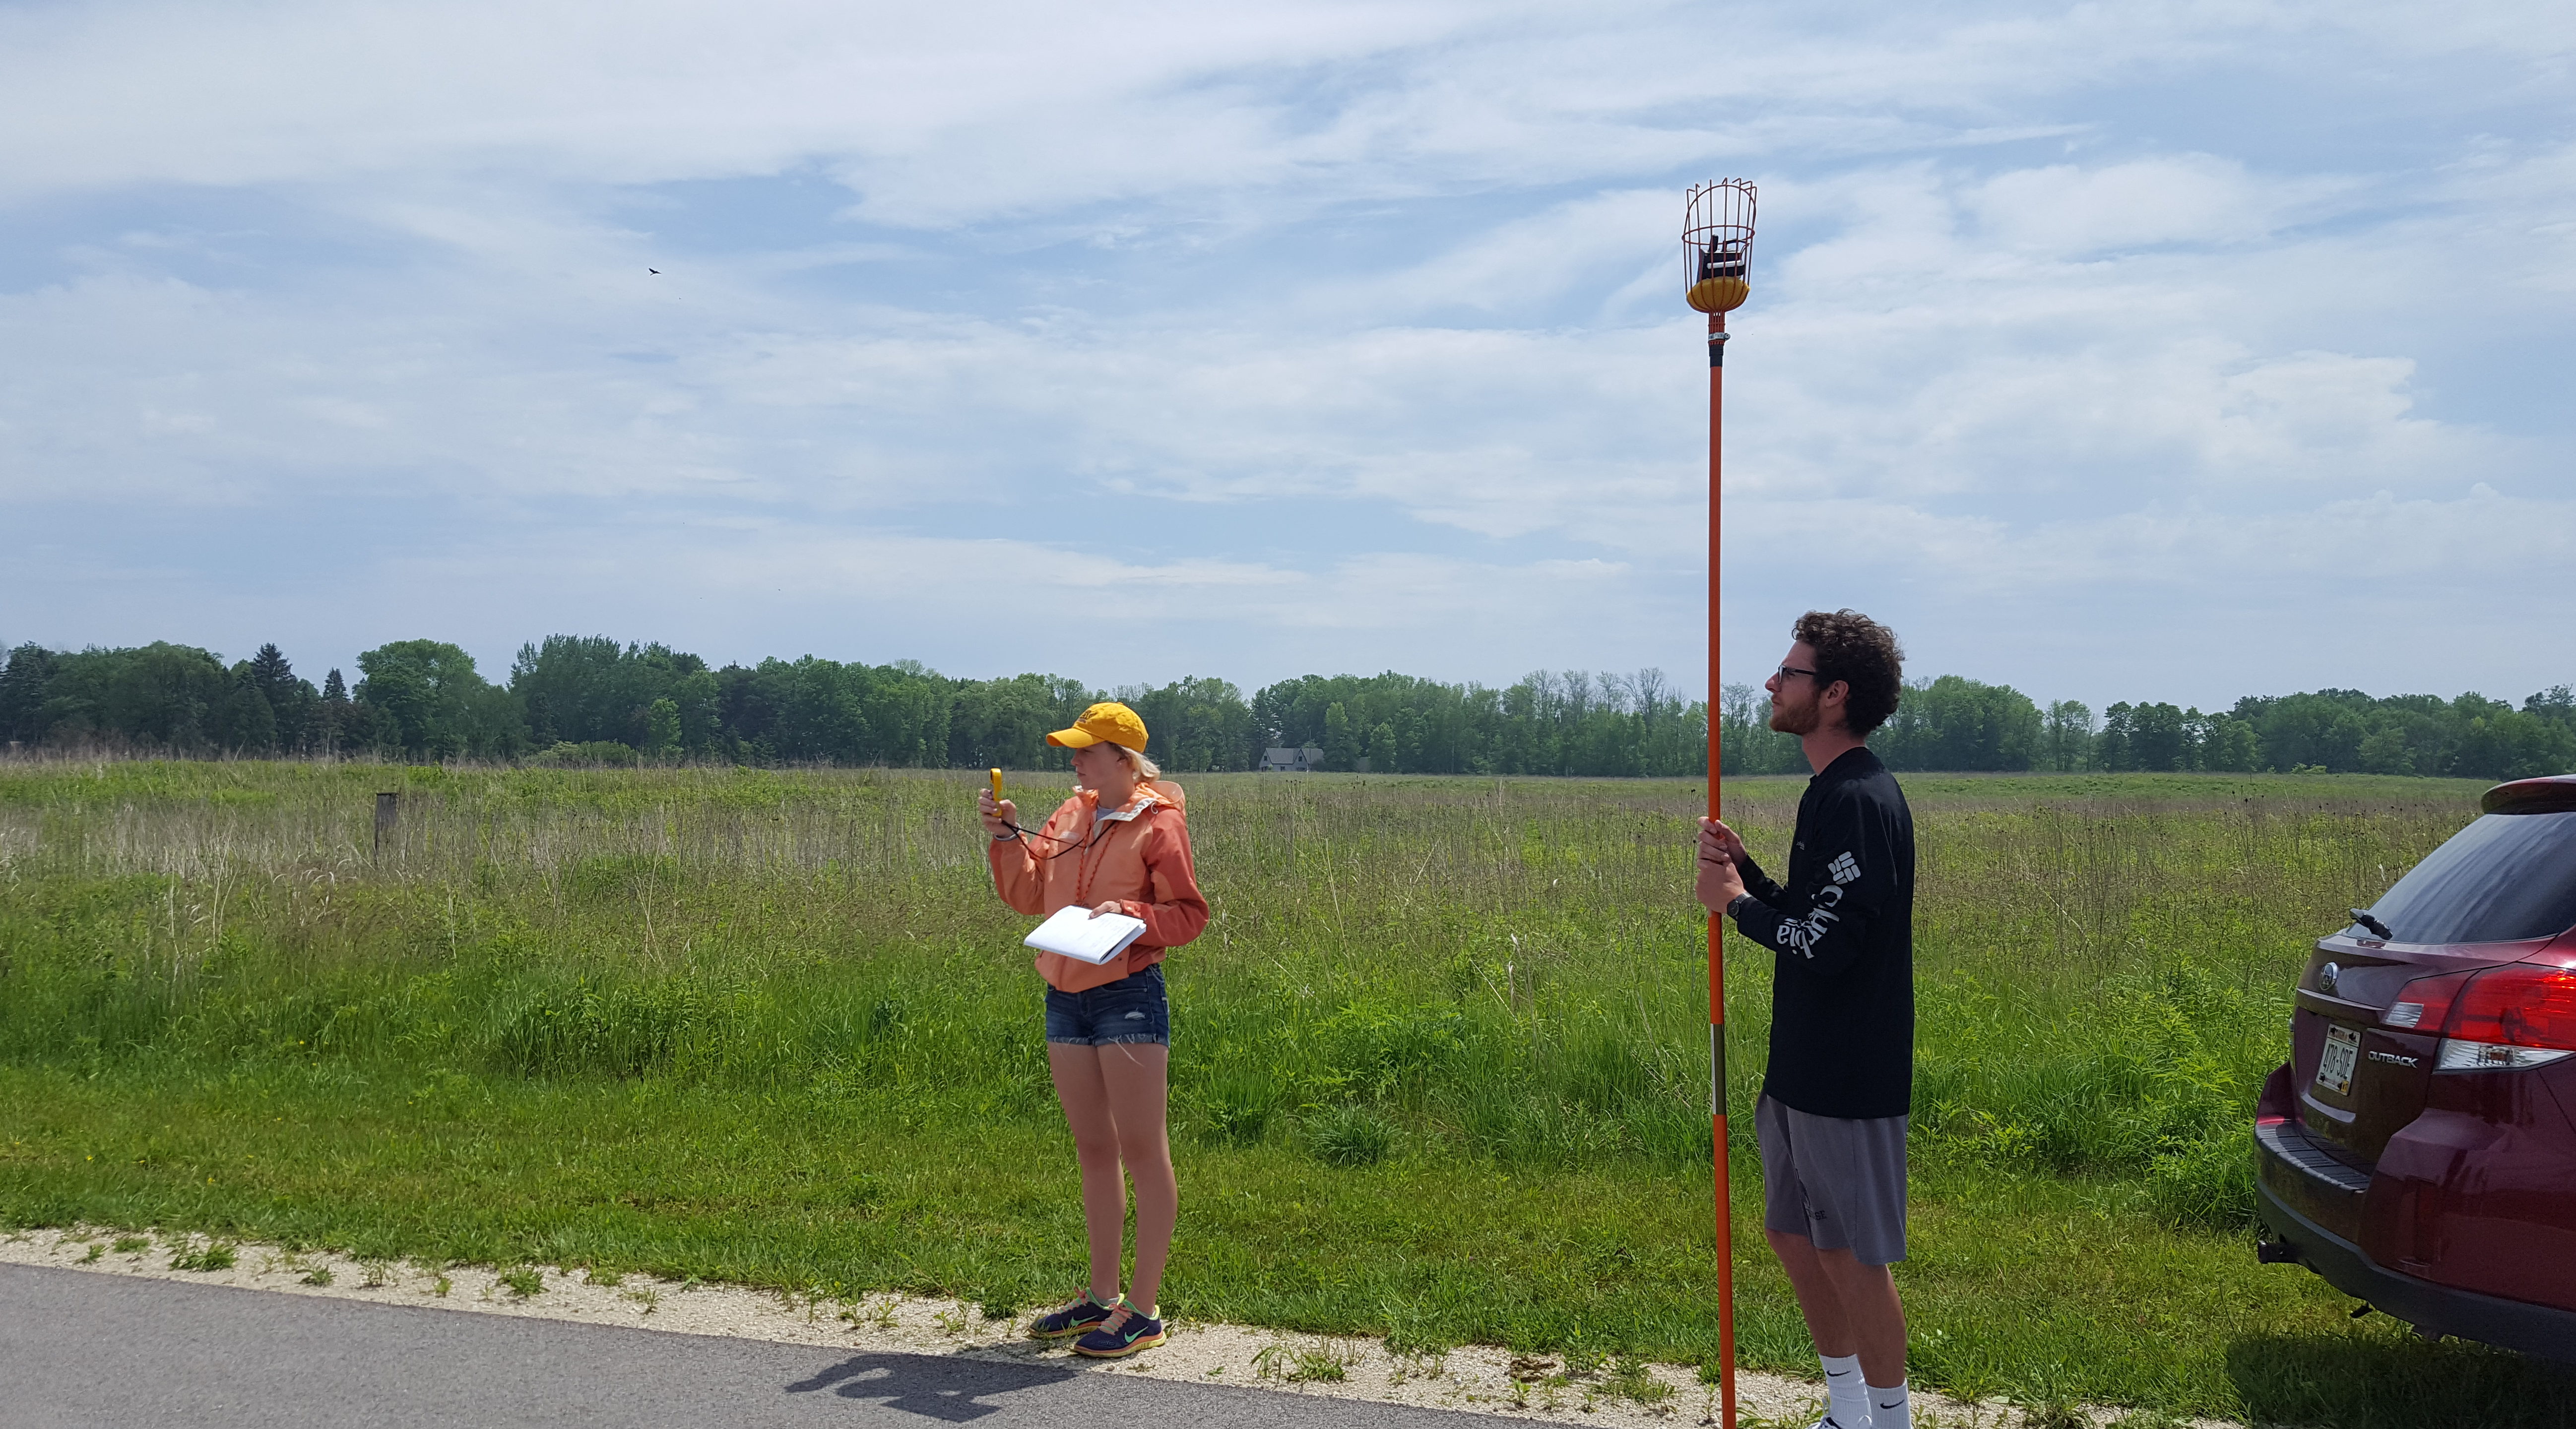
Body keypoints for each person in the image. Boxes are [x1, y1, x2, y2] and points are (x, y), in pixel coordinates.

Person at [1695, 611, 1916, 1429]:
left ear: (1833, 695)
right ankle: (1847, 1409)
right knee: (1794, 1235)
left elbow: (1828, 946)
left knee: (1852, 1254)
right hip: (1800, 1067)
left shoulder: (1861, 799)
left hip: (1848, 1076)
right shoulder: (1827, 795)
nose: (1770, 684)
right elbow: (1818, 914)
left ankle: (1891, 1421)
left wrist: (1738, 906)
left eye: (1788, 673)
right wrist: (1750, 874)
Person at [978, 701, 1207, 1359]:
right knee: (1092, 1146)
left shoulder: (1159, 822)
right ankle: (1101, 1297)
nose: (1075, 760)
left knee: (1142, 1146)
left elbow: (1189, 914)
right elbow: (1027, 897)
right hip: (1064, 994)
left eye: (1086, 749)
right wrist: (1005, 838)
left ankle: (1143, 1310)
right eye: (1075, 750)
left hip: (1128, 994)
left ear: (1122, 759)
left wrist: (1129, 911)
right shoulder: (1068, 814)